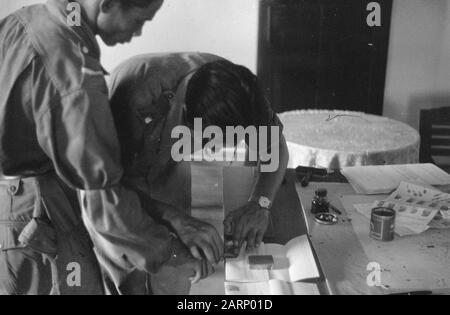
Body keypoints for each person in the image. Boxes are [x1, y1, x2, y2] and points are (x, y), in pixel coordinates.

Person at [0, 0, 212, 295]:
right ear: (108, 4)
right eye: (140, 20)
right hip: (35, 214)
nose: (138, 33)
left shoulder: (35, 19)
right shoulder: (73, 71)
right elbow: (103, 200)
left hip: (19, 204)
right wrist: (170, 253)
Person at [107, 52, 290, 291]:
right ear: (185, 116)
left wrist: (260, 203)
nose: (218, 148)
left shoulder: (241, 94)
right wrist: (175, 220)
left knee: (179, 270)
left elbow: (273, 146)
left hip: (167, 167)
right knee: (129, 275)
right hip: (115, 180)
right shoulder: (135, 99)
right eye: (213, 141)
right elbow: (108, 193)